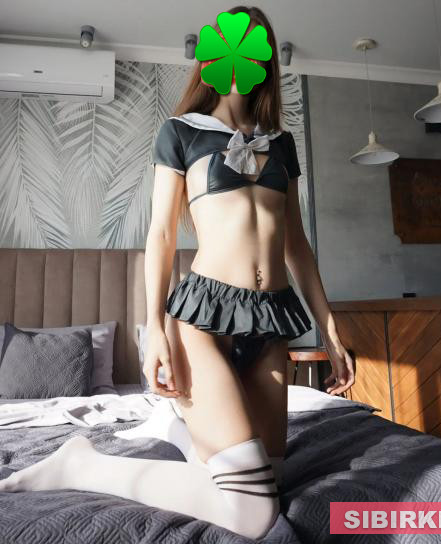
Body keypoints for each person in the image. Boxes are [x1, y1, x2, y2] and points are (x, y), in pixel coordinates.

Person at [0, 5, 355, 540]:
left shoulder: (280, 143)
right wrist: (158, 332)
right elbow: (161, 235)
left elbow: (297, 245)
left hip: (271, 323)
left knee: (271, 481)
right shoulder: (181, 133)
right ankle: (82, 464)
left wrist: (330, 330)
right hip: (205, 320)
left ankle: (179, 431)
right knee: (252, 510)